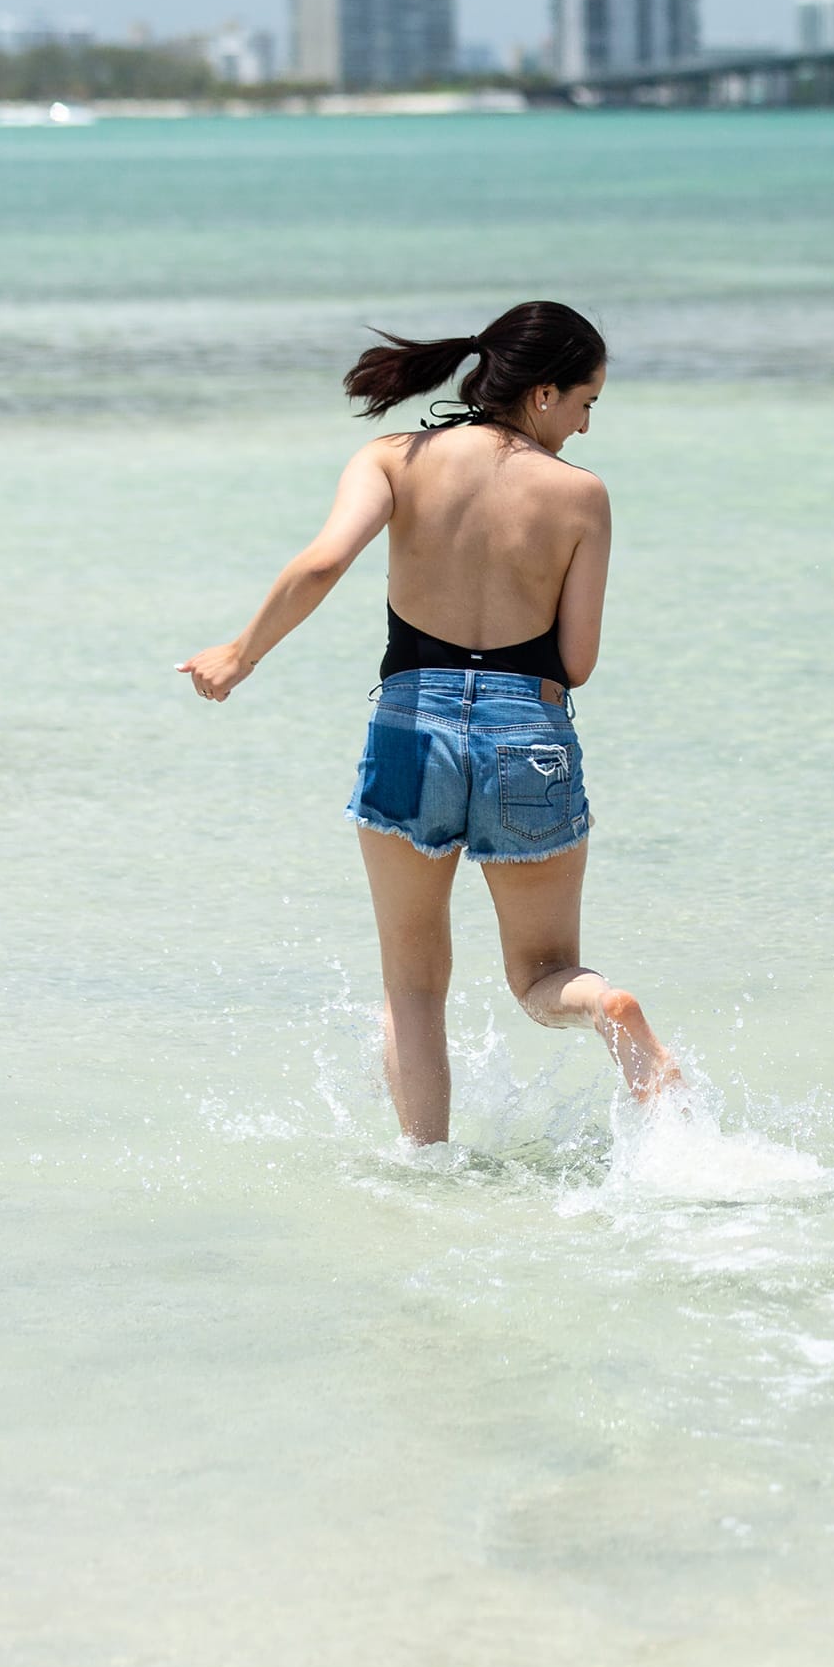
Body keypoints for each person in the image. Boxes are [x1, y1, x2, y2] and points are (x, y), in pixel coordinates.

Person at [179, 300, 679, 1144]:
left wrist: (240, 653)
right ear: (546, 393)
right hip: (531, 734)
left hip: (412, 730)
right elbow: (578, 660)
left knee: (412, 985)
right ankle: (603, 1004)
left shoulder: (392, 458)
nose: (587, 427)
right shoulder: (581, 496)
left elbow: (325, 560)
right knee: (543, 973)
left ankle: (424, 1169)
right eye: (588, 403)